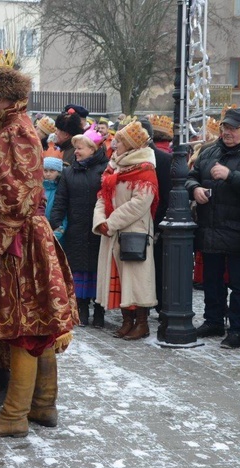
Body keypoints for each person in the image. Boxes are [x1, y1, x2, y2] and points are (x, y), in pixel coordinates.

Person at [0, 53, 77, 438]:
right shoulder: (7, 129)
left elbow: (17, 203)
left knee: (22, 324)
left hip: (16, 243)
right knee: (35, 319)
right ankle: (42, 404)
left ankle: (15, 415)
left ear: (0, 98)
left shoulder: (16, 133)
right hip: (12, 237)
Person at [184, 107, 240, 349]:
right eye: (225, 127)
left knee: (239, 284)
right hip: (211, 228)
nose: (228, 132)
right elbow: (190, 176)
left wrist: (230, 175)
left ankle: (237, 329)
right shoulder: (209, 152)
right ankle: (213, 320)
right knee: (212, 281)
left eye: (234, 128)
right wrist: (194, 189)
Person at [92, 120, 159, 340]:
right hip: (112, 232)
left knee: (136, 280)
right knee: (118, 278)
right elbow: (102, 195)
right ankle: (126, 321)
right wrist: (99, 220)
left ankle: (141, 323)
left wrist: (110, 223)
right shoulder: (114, 165)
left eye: (119, 140)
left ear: (130, 145)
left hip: (133, 231)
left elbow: (140, 203)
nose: (115, 144)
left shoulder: (145, 169)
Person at [51, 125, 109, 328]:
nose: (75, 151)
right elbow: (61, 199)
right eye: (75, 148)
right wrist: (56, 222)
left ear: (92, 149)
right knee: (79, 270)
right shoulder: (69, 172)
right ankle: (82, 309)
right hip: (76, 227)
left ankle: (100, 310)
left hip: (98, 228)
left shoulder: (106, 169)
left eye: (80, 148)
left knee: (98, 270)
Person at [138, 118, 173, 318]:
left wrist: (158, 224)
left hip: (156, 221)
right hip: (137, 222)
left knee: (159, 267)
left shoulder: (164, 159)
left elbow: (167, 196)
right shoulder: (128, 158)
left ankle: (160, 305)